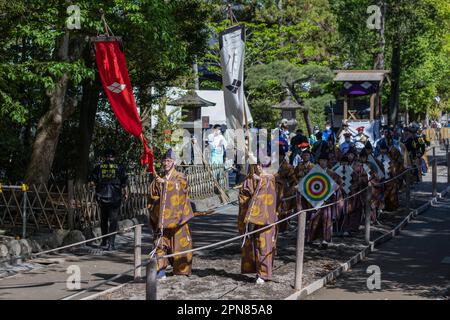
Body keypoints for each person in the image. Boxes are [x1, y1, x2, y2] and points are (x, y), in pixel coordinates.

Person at [148, 149, 194, 279]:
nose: (166, 163)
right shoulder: (159, 179)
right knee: (160, 244)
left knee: (180, 245)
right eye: (164, 161)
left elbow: (182, 188)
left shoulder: (180, 176)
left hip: (178, 218)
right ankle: (160, 271)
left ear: (174, 162)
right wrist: (157, 200)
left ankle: (181, 271)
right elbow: (152, 197)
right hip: (162, 219)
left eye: (169, 161)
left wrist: (167, 184)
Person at [238, 157, 279, 284]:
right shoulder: (250, 180)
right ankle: (256, 271)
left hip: (267, 218)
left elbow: (267, 188)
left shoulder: (270, 178)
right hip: (251, 217)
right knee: (252, 246)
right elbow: (244, 195)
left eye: (262, 165)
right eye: (257, 165)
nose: (259, 167)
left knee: (264, 246)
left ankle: (264, 274)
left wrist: (260, 179)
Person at [90, 149, 128, 251]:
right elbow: (124, 183)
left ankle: (104, 241)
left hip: (102, 198)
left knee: (103, 220)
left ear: (104, 157)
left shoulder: (98, 168)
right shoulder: (120, 168)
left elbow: (92, 182)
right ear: (114, 157)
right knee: (113, 221)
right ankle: (111, 244)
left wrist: (96, 190)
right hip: (115, 198)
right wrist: (125, 193)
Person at [306, 152, 342, 246]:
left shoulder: (332, 173)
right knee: (314, 220)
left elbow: (339, 184)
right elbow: (307, 184)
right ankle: (312, 238)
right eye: (321, 160)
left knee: (327, 220)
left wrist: (335, 189)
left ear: (327, 162)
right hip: (315, 201)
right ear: (319, 161)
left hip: (327, 202)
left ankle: (326, 239)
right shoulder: (314, 172)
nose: (323, 162)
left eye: (325, 161)